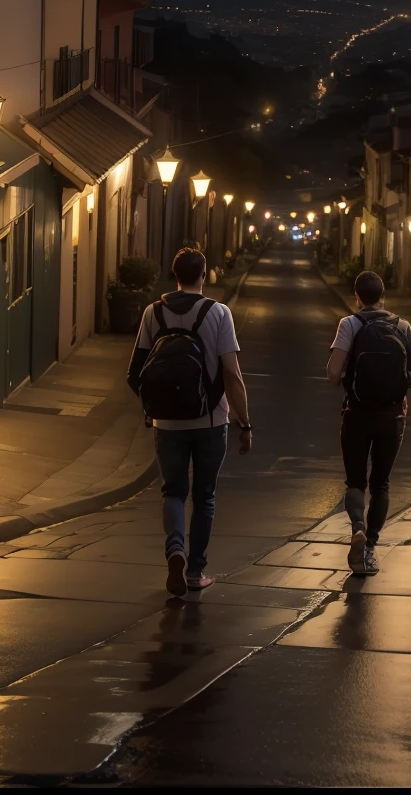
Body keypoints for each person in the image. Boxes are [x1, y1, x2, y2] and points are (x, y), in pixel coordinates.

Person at [127, 246, 253, 596]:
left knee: (173, 491)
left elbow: (135, 372)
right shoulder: (219, 313)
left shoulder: (153, 313)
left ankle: (175, 551)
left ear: (174, 273)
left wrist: (152, 409)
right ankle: (196, 572)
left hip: (166, 424)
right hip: (211, 421)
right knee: (205, 495)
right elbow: (232, 374)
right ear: (204, 274)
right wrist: (245, 423)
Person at [325, 269, 411, 576]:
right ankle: (369, 548)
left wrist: (353, 374)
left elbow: (332, 373)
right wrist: (395, 378)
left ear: (357, 297)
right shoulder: (403, 326)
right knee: (380, 483)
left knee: (355, 481)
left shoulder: (349, 324)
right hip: (392, 418)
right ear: (384, 296)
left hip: (356, 414)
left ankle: (357, 527)